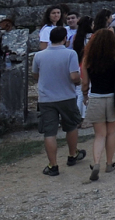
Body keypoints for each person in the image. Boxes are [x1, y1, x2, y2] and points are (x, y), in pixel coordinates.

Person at [32, 26, 85, 176]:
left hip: (46, 98)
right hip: (66, 96)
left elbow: (35, 75)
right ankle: (72, 154)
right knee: (71, 126)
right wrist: (79, 82)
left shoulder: (39, 55)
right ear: (65, 39)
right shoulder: (70, 54)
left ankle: (53, 165)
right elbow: (74, 76)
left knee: (49, 132)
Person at [81, 28, 115, 181]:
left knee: (99, 135)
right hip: (113, 97)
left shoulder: (87, 59)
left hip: (96, 98)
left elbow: (85, 83)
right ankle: (109, 163)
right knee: (111, 132)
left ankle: (96, 163)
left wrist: (84, 95)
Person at [72, 15, 94, 125]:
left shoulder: (76, 37)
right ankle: (85, 117)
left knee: (79, 93)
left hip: (79, 65)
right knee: (87, 92)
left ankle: (77, 117)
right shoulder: (92, 37)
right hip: (89, 65)